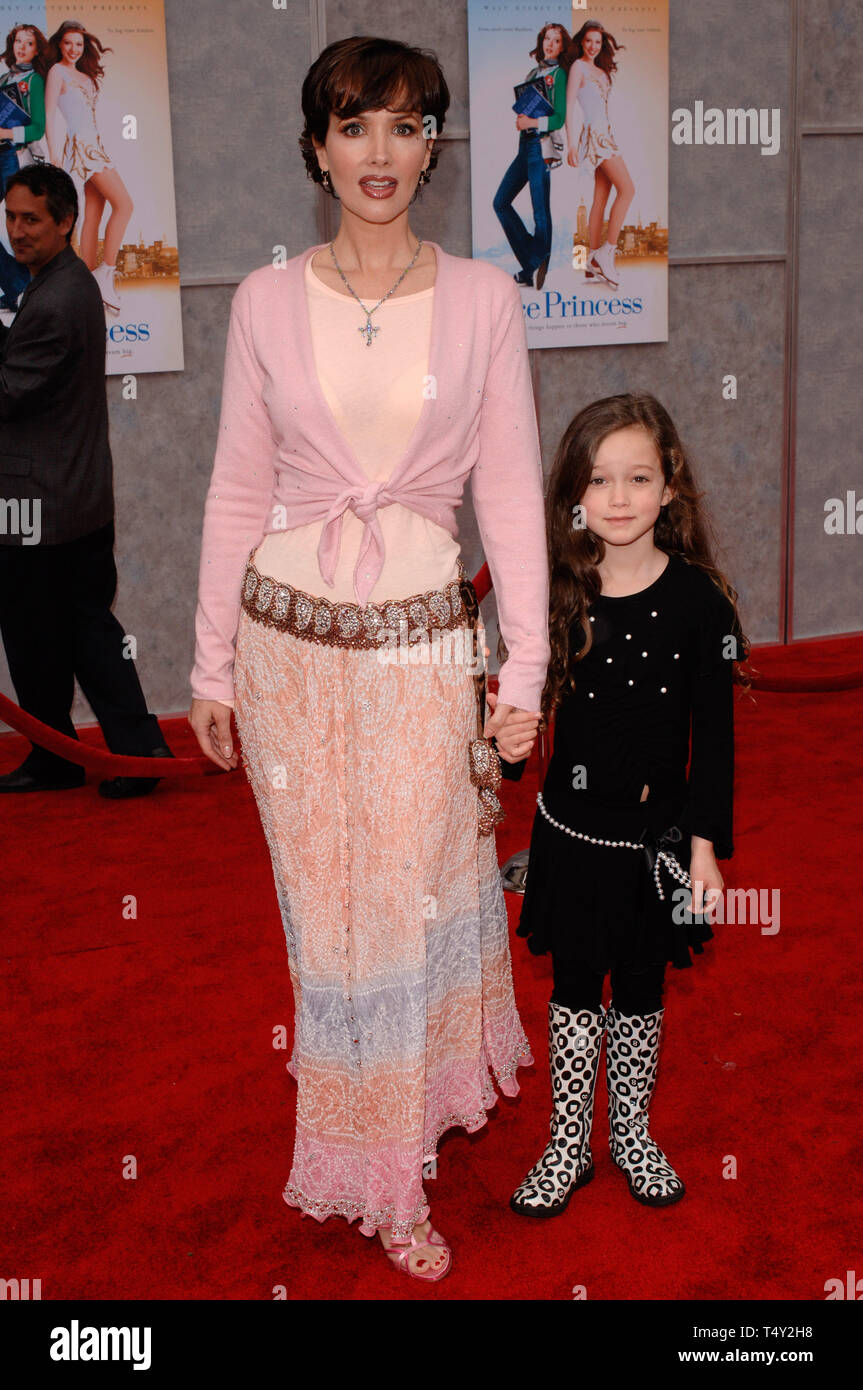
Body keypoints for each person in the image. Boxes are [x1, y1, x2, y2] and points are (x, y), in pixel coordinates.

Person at [188, 36, 549, 1282]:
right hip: (288, 655)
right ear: (316, 146)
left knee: (404, 906)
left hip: (416, 651)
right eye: (355, 127)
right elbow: (237, 489)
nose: (380, 153)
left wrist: (525, 671)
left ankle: (394, 1178)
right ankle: (360, 1122)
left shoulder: (485, 300)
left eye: (405, 126)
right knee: (328, 925)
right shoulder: (263, 301)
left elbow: (505, 493)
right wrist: (210, 667)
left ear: (435, 144)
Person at [510, 392, 749, 1216]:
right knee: (574, 985)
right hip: (572, 835)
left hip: (660, 840)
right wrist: (501, 738)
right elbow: (520, 711)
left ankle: (631, 1133)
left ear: (669, 487)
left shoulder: (700, 603)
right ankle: (566, 1141)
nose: (617, 498)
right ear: (573, 494)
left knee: (642, 987)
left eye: (637, 477)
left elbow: (713, 741)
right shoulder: (552, 595)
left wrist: (705, 848)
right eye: (599, 479)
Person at [0, 163, 172, 797]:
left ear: (67, 221)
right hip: (63, 498)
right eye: (11, 217)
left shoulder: (59, 294)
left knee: (58, 630)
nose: (17, 231)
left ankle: (127, 751)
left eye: (31, 219)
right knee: (66, 628)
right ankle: (82, 753)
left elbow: (9, 394)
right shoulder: (59, 284)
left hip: (40, 506)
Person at [44, 20, 133, 315]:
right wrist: (54, 155)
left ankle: (90, 283)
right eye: (68, 43)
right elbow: (49, 116)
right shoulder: (57, 71)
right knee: (125, 205)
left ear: (84, 47)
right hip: (81, 149)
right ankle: (106, 275)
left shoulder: (86, 76)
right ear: (60, 44)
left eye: (78, 44)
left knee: (95, 212)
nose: (73, 49)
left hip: (96, 145)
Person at [492, 21, 568, 290]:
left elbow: (558, 118)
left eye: (556, 40)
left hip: (541, 147)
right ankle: (533, 263)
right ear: (541, 41)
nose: (551, 44)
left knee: (540, 211)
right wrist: (523, 120)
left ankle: (530, 267)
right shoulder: (534, 71)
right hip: (524, 146)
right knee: (500, 202)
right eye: (548, 39)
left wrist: (532, 124)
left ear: (562, 46)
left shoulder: (560, 76)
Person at [561, 20, 635, 289]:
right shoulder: (578, 67)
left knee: (601, 198)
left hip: (607, 135)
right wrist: (570, 144)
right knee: (628, 190)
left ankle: (592, 261)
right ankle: (607, 251)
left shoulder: (602, 71)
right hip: (596, 138)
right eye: (589, 40)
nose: (593, 46)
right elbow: (569, 107)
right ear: (582, 41)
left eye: (598, 42)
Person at [0, 23, 50, 311]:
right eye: (18, 41)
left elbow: (37, 129)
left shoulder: (35, 82)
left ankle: (23, 290)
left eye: (28, 43)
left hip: (14, 157)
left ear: (36, 49)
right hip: (0, 156)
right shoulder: (5, 77)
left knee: (20, 229)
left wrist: (6, 134)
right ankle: (17, 286)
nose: (22, 47)